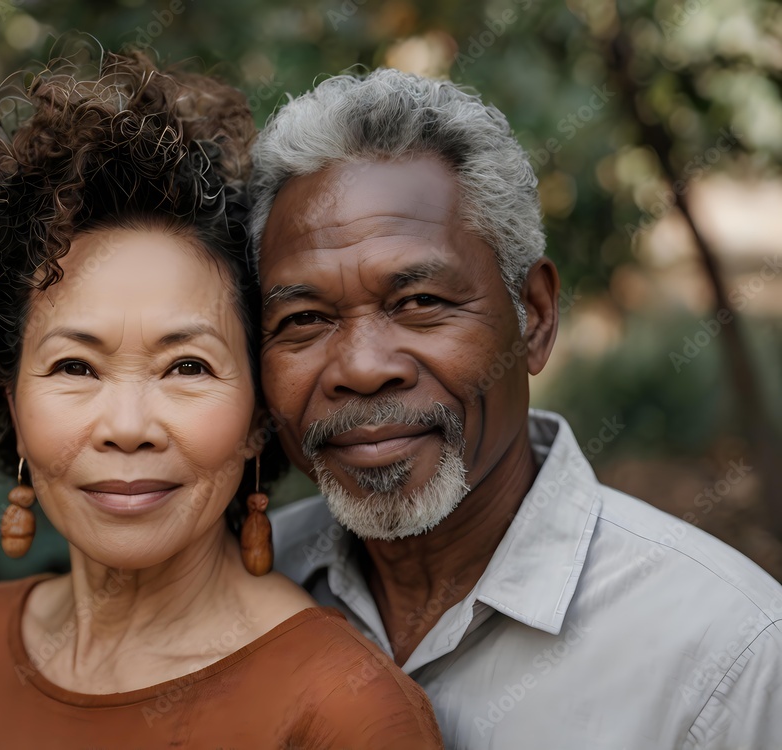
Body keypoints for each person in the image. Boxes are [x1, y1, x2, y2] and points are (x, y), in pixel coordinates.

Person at [0, 50, 442, 749]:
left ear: (258, 418)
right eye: (76, 367)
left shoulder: (343, 712)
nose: (127, 426)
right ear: (13, 408)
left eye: (186, 366)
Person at [250, 68, 782, 749]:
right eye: (305, 318)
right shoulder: (237, 599)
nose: (361, 367)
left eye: (420, 304)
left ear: (533, 316)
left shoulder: (727, 660)